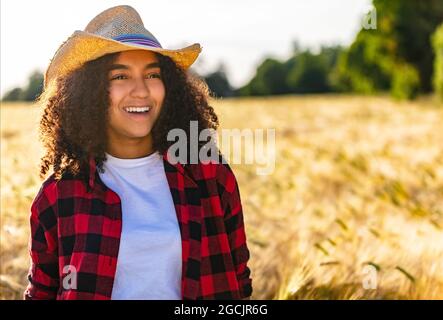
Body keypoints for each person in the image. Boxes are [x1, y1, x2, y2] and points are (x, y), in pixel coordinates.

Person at [24, 5, 252, 300]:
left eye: (153, 74)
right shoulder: (59, 194)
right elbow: (42, 293)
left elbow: (239, 283)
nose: (141, 90)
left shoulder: (210, 175)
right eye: (120, 76)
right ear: (89, 92)